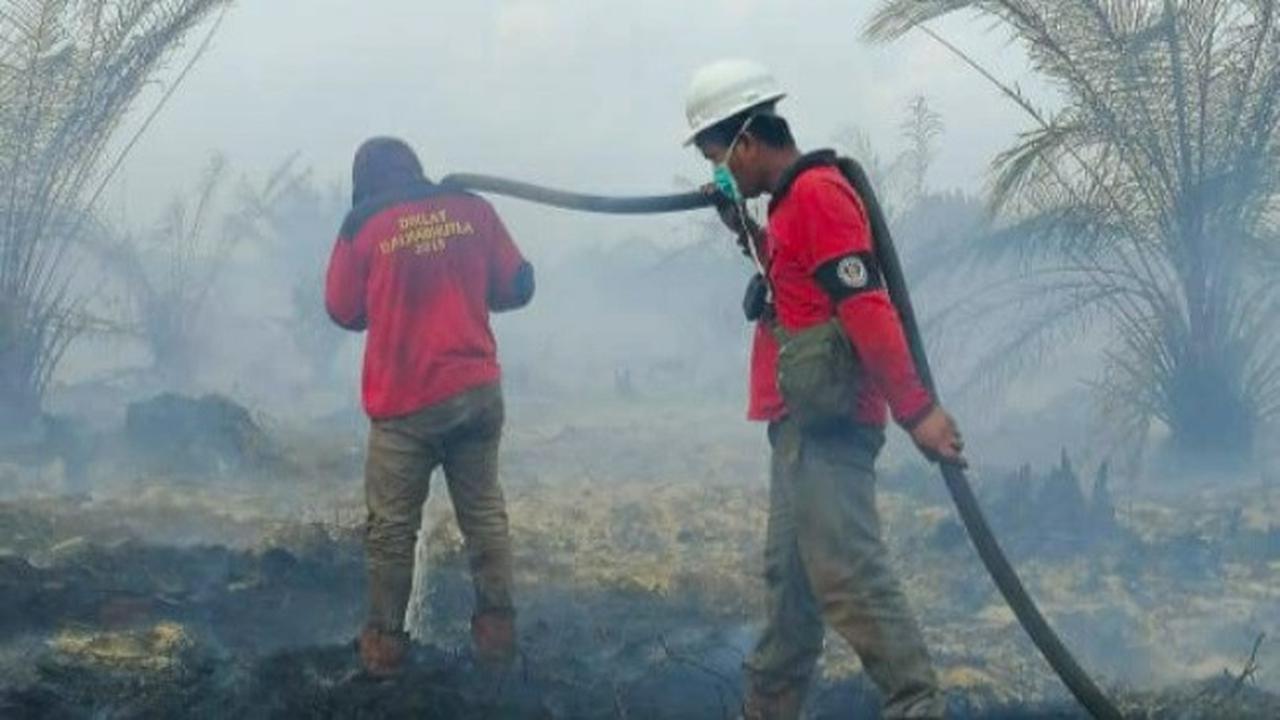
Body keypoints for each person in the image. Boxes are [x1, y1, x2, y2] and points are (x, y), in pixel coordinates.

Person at [683, 60, 966, 719]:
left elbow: (865, 305)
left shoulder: (816, 194)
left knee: (849, 579)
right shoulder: (788, 208)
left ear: (748, 141)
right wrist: (745, 231)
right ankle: (771, 706)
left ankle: (916, 703)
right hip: (799, 426)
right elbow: (803, 289)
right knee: (792, 590)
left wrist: (917, 411)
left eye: (717, 156)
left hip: (832, 429)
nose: (719, 171)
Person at [325, 137, 534, 677]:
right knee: (484, 515)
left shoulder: (363, 226)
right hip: (476, 394)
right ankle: (497, 635)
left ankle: (384, 648)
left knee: (392, 530)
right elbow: (517, 285)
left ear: (364, 182)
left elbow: (343, 310)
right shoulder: (472, 208)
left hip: (405, 405)